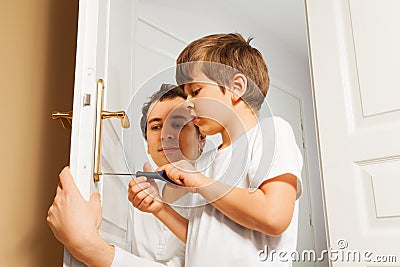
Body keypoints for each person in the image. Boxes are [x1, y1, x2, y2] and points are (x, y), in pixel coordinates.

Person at [129, 33, 303, 266]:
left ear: (236, 87)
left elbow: (274, 216)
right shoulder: (205, 164)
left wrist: (200, 182)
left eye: (196, 91)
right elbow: (200, 240)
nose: (187, 102)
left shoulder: (271, 133)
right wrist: (159, 209)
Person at [47, 84, 205, 266]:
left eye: (177, 124)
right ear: (147, 143)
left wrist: (87, 246)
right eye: (155, 127)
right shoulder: (139, 195)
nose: (165, 135)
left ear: (201, 139)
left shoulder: (217, 199)